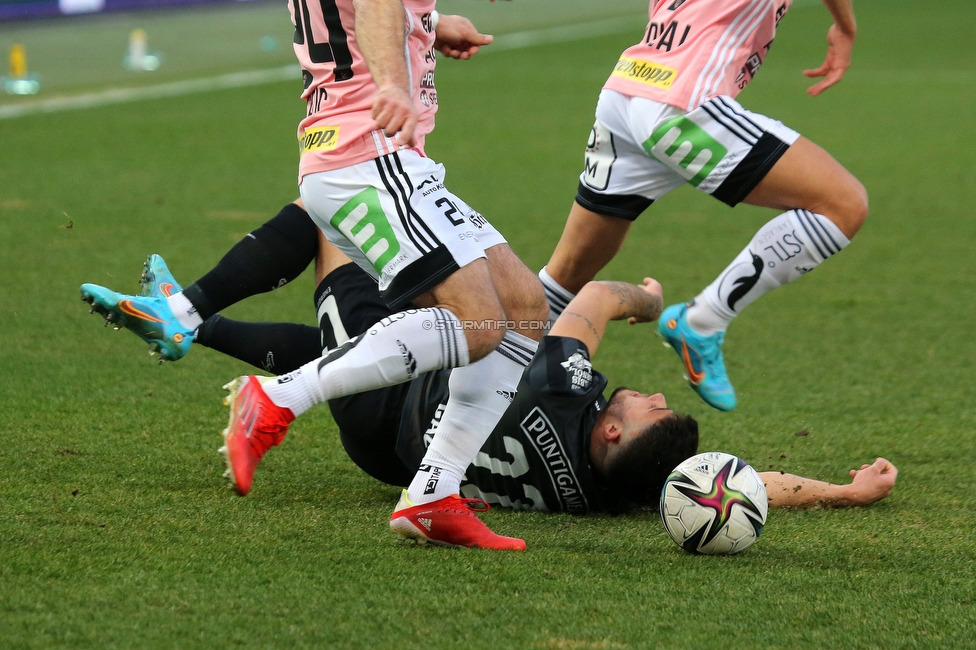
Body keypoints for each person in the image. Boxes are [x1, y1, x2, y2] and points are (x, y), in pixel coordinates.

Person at [80, 6, 551, 551]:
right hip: (369, 157)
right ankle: (279, 397)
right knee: (480, 323)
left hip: (361, 155)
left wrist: (425, 22)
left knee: (522, 305)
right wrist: (395, 81)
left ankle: (431, 495)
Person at [134, 243, 895, 518]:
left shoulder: (566, 386)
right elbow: (742, 483)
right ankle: (192, 328)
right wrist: (845, 491)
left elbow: (594, 300)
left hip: (385, 389)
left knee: (329, 216)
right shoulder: (618, 490)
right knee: (317, 345)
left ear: (611, 429)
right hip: (389, 456)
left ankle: (187, 313)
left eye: (650, 408)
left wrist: (650, 302)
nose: (657, 396)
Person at [536, 0, 868, 412]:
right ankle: (702, 322)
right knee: (843, 205)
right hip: (683, 106)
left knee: (564, 276)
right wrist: (845, 26)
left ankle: (479, 385)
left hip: (628, 92)